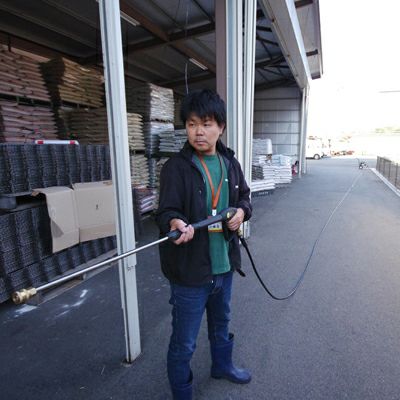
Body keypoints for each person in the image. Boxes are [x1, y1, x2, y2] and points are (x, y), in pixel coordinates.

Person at [156, 89, 252, 400]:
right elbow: (165, 211)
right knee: (184, 342)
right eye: (192, 124)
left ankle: (222, 366)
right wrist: (174, 222)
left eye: (207, 124)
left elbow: (245, 198)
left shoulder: (230, 163)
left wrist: (241, 212)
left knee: (221, 324)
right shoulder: (176, 167)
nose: (199, 131)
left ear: (220, 127)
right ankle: (182, 394)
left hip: (224, 266)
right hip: (189, 273)